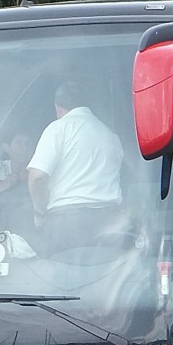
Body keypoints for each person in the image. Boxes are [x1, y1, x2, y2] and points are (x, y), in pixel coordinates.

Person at [27, 80, 124, 256]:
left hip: (67, 223)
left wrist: (39, 213)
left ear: (58, 107)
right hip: (109, 221)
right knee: (103, 277)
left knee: (65, 280)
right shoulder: (111, 136)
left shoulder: (58, 128)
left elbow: (37, 177)